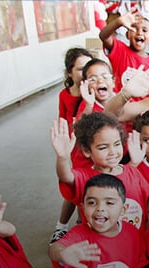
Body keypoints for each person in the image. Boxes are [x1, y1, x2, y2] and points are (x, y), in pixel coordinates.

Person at [50, 113, 149, 230]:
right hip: (100, 246)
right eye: (103, 147)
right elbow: (66, 177)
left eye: (117, 144)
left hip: (135, 243)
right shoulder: (85, 177)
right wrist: (63, 158)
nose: (112, 152)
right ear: (87, 151)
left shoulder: (132, 171)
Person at [52, 47, 94, 244]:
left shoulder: (93, 93)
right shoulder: (65, 95)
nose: (84, 73)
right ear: (69, 72)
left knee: (88, 188)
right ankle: (61, 226)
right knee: (74, 189)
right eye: (79, 69)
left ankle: (82, 223)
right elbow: (64, 123)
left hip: (91, 148)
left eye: (87, 68)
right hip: (73, 149)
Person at [99, 10, 149, 101]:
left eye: (144, 30)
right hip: (118, 107)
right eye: (134, 29)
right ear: (127, 35)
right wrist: (118, 22)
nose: (139, 33)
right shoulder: (120, 50)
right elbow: (103, 36)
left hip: (142, 110)